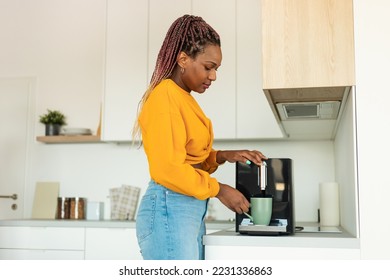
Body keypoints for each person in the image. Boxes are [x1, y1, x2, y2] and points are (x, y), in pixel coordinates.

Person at [133, 14, 267, 260]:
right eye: (208, 67)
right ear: (183, 59)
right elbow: (168, 169)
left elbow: (188, 160)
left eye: (216, 69)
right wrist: (220, 190)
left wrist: (224, 156)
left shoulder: (183, 98)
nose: (213, 76)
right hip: (168, 208)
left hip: (184, 209)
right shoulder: (165, 97)